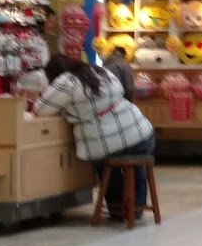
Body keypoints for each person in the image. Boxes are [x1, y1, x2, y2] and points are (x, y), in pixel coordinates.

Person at [35, 55, 156, 221]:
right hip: (142, 132)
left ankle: (117, 208)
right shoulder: (100, 71)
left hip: (107, 141)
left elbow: (40, 109)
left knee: (105, 164)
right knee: (137, 164)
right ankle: (136, 208)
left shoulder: (66, 81)